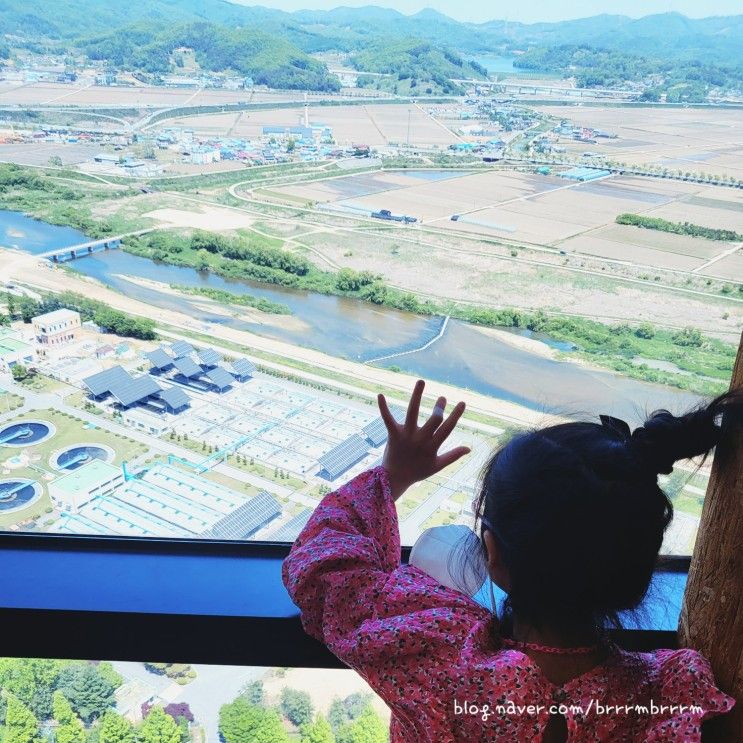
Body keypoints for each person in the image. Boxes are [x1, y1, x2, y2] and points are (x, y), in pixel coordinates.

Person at [282, 379, 739, 742]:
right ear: (635, 570)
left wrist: (393, 476)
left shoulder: (438, 652)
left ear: (493, 554)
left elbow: (325, 569)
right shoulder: (664, 697)